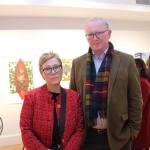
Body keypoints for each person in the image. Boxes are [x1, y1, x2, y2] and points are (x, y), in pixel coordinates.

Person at [69, 17, 143, 150]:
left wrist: (133, 130)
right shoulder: (77, 63)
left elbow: (136, 99)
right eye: (90, 35)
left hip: (118, 136)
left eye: (99, 33)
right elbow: (73, 102)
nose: (95, 38)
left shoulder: (126, 61)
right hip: (87, 137)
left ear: (109, 33)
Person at [20, 52, 84, 150]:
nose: (53, 72)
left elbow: (80, 129)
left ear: (62, 70)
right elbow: (26, 130)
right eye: (47, 69)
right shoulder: (31, 97)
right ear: (42, 74)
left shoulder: (74, 97)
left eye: (56, 67)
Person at [132, 58, 150, 150]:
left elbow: (140, 105)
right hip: (139, 121)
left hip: (141, 123)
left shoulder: (142, 82)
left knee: (139, 145)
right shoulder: (140, 81)